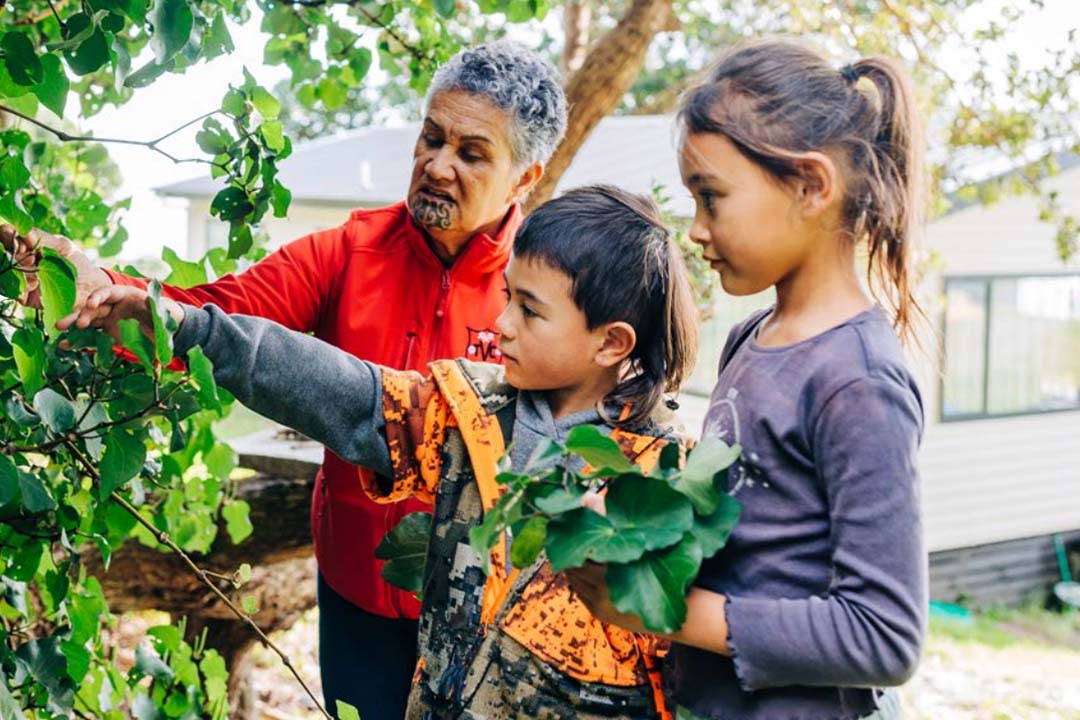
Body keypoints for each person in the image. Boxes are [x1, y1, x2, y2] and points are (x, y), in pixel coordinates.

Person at [0, 41, 568, 719]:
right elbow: (211, 319)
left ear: (526, 176)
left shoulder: (549, 286)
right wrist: (94, 287)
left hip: (488, 614)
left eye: (471, 153)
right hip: (358, 598)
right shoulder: (349, 253)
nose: (437, 165)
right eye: (431, 137)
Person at [59, 185, 699, 719]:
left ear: (612, 342)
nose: (501, 323)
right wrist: (173, 321)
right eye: (507, 296)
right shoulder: (466, 412)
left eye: (529, 311)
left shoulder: (674, 484)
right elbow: (332, 387)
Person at [567, 39, 927, 720]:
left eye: (712, 198)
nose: (696, 230)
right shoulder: (750, 338)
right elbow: (744, 525)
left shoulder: (859, 382)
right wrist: (632, 534)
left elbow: (886, 635)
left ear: (812, 186)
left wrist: (664, 613)